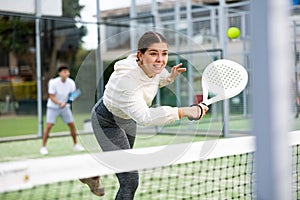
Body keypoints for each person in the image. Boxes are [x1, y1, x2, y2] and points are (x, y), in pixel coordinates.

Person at [80, 31, 209, 199]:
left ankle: (91, 173)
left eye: (164, 54)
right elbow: (146, 117)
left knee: (122, 161)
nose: (160, 60)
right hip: (107, 121)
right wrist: (184, 111)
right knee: (130, 180)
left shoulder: (150, 67)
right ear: (140, 55)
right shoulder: (126, 81)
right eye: (154, 54)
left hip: (127, 119)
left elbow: (154, 79)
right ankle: (91, 173)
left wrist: (169, 78)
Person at [40, 65, 85, 155]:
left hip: (65, 107)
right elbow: (51, 97)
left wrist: (67, 102)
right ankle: (43, 147)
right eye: (64, 72)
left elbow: (72, 96)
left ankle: (76, 145)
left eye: (67, 71)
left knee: (72, 125)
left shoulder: (71, 83)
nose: (66, 73)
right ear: (59, 73)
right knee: (49, 126)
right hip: (52, 107)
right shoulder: (53, 83)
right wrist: (60, 103)